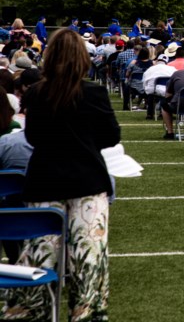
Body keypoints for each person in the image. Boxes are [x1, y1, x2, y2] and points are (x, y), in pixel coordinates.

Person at [6, 29, 120, 320]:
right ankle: (87, 313)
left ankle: (32, 312)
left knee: (40, 255)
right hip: (87, 181)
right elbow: (111, 135)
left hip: (45, 181)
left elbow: (32, 136)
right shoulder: (93, 92)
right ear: (82, 58)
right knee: (88, 257)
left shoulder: (37, 93)